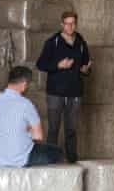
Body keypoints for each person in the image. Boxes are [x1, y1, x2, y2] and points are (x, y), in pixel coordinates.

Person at [36, 11, 91, 163]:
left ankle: (72, 160)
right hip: (55, 93)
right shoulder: (52, 42)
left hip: (75, 92)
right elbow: (40, 64)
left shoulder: (80, 41)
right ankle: (51, 160)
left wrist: (85, 70)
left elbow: (86, 63)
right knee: (54, 128)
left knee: (71, 129)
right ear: (62, 24)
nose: (70, 26)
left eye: (73, 23)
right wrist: (58, 65)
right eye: (67, 23)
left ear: (76, 24)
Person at [0, 66, 63, 167]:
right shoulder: (25, 104)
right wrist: (27, 130)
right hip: (21, 158)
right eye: (28, 84)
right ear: (24, 84)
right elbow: (38, 136)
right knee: (57, 152)